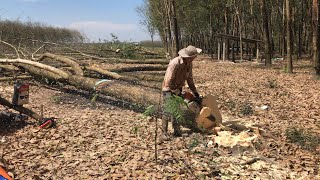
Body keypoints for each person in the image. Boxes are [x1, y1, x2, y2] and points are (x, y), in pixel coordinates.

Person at [161, 45, 202, 139]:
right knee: (167, 110)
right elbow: (168, 81)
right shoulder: (175, 63)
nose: (195, 58)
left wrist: (195, 93)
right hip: (168, 88)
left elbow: (190, 79)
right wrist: (175, 91)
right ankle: (163, 133)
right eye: (194, 56)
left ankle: (177, 131)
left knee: (177, 110)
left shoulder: (189, 64)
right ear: (189, 57)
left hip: (178, 87)